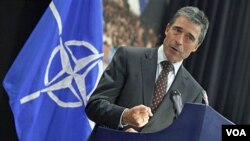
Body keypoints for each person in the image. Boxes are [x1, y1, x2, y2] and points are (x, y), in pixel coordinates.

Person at [85, 6, 209, 140]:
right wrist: (125, 116)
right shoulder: (128, 57)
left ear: (196, 47)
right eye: (177, 30)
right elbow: (94, 105)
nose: (179, 41)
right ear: (167, 29)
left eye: (189, 38)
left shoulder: (194, 93)